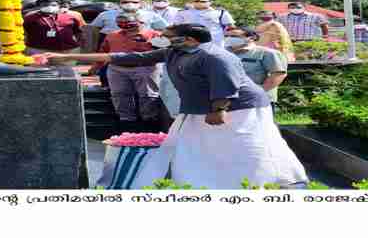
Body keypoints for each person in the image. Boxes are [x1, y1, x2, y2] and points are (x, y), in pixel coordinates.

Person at [45, 24, 308, 189]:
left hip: (237, 109)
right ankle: (198, 181)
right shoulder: (175, 51)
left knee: (244, 148)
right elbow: (132, 58)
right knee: (188, 145)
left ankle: (260, 183)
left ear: (191, 40)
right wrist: (69, 57)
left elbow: (227, 83)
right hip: (198, 109)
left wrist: (219, 109)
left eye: (168, 36)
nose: (161, 38)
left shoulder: (215, 56)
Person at [88, 14, 163, 133]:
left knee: (148, 96)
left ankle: (149, 122)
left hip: (145, 68)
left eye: (128, 23)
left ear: (140, 22)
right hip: (117, 69)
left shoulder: (154, 35)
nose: (124, 25)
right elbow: (103, 52)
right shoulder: (112, 35)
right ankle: (127, 122)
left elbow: (164, 52)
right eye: (120, 23)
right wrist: (95, 67)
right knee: (119, 95)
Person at [224, 26, 288, 111]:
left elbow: (278, 74)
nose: (229, 39)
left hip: (259, 100)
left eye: (234, 36)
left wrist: (258, 91)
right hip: (229, 98)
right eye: (227, 36)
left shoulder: (267, 53)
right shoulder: (223, 53)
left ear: (251, 37)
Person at [90, 0, 167, 50]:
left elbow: (162, 29)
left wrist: (154, 42)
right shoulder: (105, 14)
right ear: (119, 3)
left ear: (140, 4)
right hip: (111, 42)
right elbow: (95, 30)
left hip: (141, 42)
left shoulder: (151, 15)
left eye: (134, 2)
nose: (130, 4)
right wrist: (93, 45)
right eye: (125, 2)